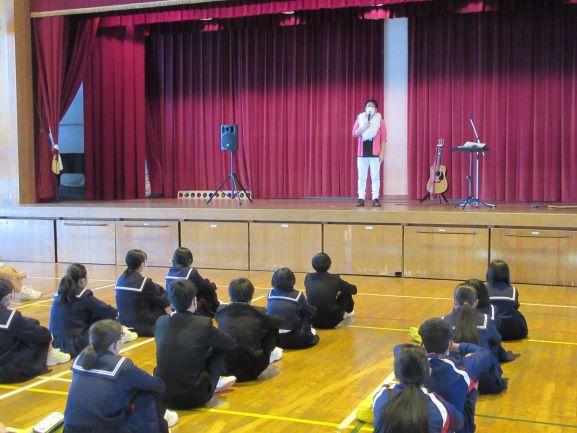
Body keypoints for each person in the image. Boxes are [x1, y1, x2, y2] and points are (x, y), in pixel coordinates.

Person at [63, 319, 177, 433]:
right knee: (147, 393)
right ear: (116, 343)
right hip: (104, 430)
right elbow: (158, 386)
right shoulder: (122, 366)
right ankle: (162, 421)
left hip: (70, 428)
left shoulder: (80, 359)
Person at [154, 280, 237, 409]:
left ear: (171, 302)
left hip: (163, 396)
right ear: (194, 301)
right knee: (220, 347)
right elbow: (230, 343)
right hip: (194, 397)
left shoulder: (161, 322)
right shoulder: (202, 324)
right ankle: (215, 381)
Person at [419, 318, 492, 433]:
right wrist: (456, 346)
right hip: (455, 427)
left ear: (422, 345)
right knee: (473, 382)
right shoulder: (461, 367)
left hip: (422, 426)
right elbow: (484, 353)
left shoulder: (412, 366)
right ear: (450, 343)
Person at [50, 264, 137, 357]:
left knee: (91, 313)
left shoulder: (58, 295)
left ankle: (54, 356)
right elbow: (109, 312)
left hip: (55, 343)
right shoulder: (84, 296)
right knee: (101, 316)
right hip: (75, 344)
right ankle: (121, 333)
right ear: (82, 281)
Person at [373, 344, 464, 433]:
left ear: (395, 374)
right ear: (429, 372)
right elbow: (459, 424)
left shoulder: (381, 396)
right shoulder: (438, 406)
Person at [0, 278, 70, 383]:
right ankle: (51, 355)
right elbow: (39, 335)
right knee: (37, 336)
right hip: (6, 370)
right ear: (7, 297)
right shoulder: (10, 317)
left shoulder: (12, 317)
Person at [442, 285, 508, 394]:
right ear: (476, 302)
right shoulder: (486, 320)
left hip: (456, 380)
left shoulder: (444, 321)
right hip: (485, 380)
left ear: (454, 302)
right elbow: (496, 341)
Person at [215, 278, 284, 382]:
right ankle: (271, 354)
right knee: (271, 327)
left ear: (230, 296)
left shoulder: (220, 312)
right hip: (253, 370)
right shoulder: (259, 313)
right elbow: (280, 322)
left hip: (225, 368)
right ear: (251, 296)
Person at [115, 250, 172, 337]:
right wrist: (171, 317)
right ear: (142, 264)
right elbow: (164, 302)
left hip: (122, 322)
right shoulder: (145, 282)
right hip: (142, 326)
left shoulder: (119, 279)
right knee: (160, 304)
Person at [464, 279, 519, 363]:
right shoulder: (492, 311)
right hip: (484, 356)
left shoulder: (455, 314)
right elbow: (495, 338)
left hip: (463, 355)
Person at [266, 268, 319, 349]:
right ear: (293, 281)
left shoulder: (270, 294)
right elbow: (311, 312)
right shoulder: (298, 295)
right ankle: (307, 332)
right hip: (292, 338)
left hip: (274, 338)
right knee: (307, 312)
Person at [304, 253, 357, 329]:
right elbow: (353, 290)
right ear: (329, 265)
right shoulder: (335, 279)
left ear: (312, 265)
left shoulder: (308, 277)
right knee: (346, 291)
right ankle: (349, 312)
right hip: (332, 321)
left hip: (312, 320)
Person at [165, 247, 219, 318]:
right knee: (209, 290)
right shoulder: (191, 272)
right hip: (187, 308)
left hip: (173, 306)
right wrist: (212, 285)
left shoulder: (169, 272)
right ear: (190, 260)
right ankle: (216, 311)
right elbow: (203, 287)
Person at [352, 99, 387, 207]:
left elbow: (383, 139)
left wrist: (382, 153)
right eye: (368, 106)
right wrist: (364, 127)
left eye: (372, 106)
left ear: (376, 109)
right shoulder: (360, 119)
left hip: (375, 153)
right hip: (362, 153)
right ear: (365, 108)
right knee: (362, 177)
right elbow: (354, 133)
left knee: (375, 177)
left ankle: (375, 198)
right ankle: (361, 198)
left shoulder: (380, 121)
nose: (370, 108)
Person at [486, 260, 528, 341]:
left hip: (493, 330)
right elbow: (515, 307)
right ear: (507, 274)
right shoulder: (513, 289)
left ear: (489, 273)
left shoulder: (484, 289)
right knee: (518, 314)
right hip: (513, 331)